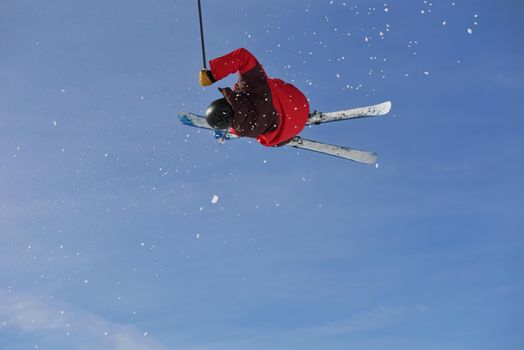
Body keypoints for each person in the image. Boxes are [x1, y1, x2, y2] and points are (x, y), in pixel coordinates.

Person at [199, 48, 309, 147]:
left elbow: (238, 122)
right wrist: (213, 75)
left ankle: (287, 134)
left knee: (265, 136)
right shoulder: (251, 85)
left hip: (288, 131)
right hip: (297, 102)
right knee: (270, 86)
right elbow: (242, 56)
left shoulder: (241, 130)